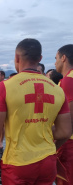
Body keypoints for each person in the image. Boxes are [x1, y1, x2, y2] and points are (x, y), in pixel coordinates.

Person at [0, 38, 72, 184]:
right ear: (40, 59)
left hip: (18, 164)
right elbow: (65, 131)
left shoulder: (5, 87)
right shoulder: (57, 89)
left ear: (16, 58)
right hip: (47, 161)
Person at [55, 44, 73, 185]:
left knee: (64, 179)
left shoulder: (68, 80)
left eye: (56, 58)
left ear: (64, 58)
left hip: (68, 142)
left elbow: (69, 120)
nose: (55, 63)